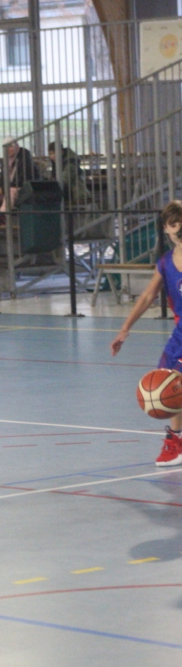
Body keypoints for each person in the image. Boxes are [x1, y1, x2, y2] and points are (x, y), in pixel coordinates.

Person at [110, 199, 182, 467]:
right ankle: (176, 442)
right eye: (174, 224)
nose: (179, 227)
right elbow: (147, 296)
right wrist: (124, 329)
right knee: (170, 383)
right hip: (181, 334)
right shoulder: (165, 263)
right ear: (166, 228)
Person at [0, 137, 39, 211]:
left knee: (11, 191)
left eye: (10, 146)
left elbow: (21, 179)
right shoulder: (6, 160)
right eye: (5, 147)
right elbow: (2, 177)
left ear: (16, 146)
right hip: (9, 187)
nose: (7, 149)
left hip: (24, 188)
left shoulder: (24, 158)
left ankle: (5, 213)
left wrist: (4, 188)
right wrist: (0, 187)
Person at [48, 142, 90, 206]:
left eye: (54, 153)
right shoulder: (60, 162)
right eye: (50, 154)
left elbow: (64, 180)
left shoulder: (70, 163)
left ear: (61, 152)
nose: (52, 156)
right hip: (71, 197)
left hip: (79, 198)